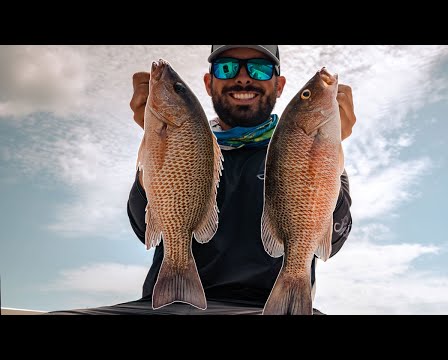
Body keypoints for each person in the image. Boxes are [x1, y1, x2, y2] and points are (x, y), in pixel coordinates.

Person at [46, 45, 356, 315]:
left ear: (279, 85)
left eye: (260, 70)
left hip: (266, 307)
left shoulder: (297, 148)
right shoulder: (189, 143)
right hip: (167, 307)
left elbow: (335, 238)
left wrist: (332, 150)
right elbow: (145, 229)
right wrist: (154, 144)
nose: (243, 77)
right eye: (227, 67)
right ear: (208, 83)